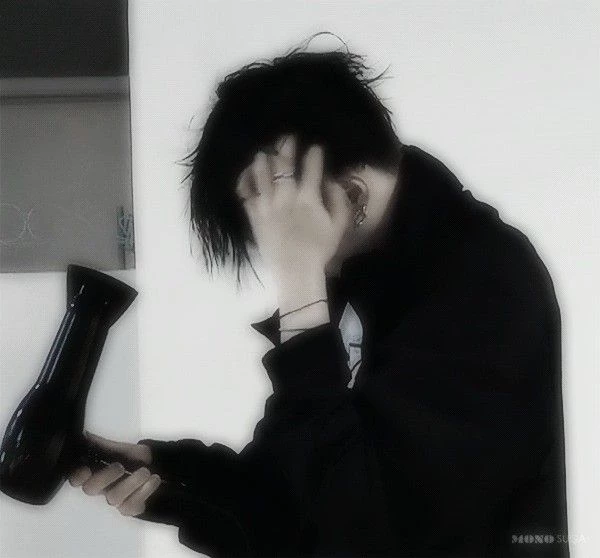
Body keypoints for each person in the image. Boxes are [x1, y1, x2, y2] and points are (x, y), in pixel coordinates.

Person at [69, 42, 570, 557]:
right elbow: (294, 492)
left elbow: (357, 532)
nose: (274, 246)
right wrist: (172, 480)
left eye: (277, 221)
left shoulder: (485, 286)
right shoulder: (366, 278)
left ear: (352, 195)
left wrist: (299, 279)